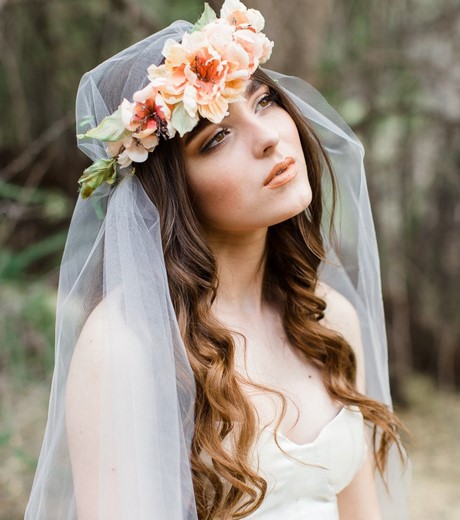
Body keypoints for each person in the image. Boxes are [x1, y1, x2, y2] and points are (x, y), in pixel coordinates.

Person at [25, 1, 409, 518]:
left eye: (266, 101)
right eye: (218, 137)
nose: (270, 137)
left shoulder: (328, 320)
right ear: (167, 191)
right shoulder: (128, 345)